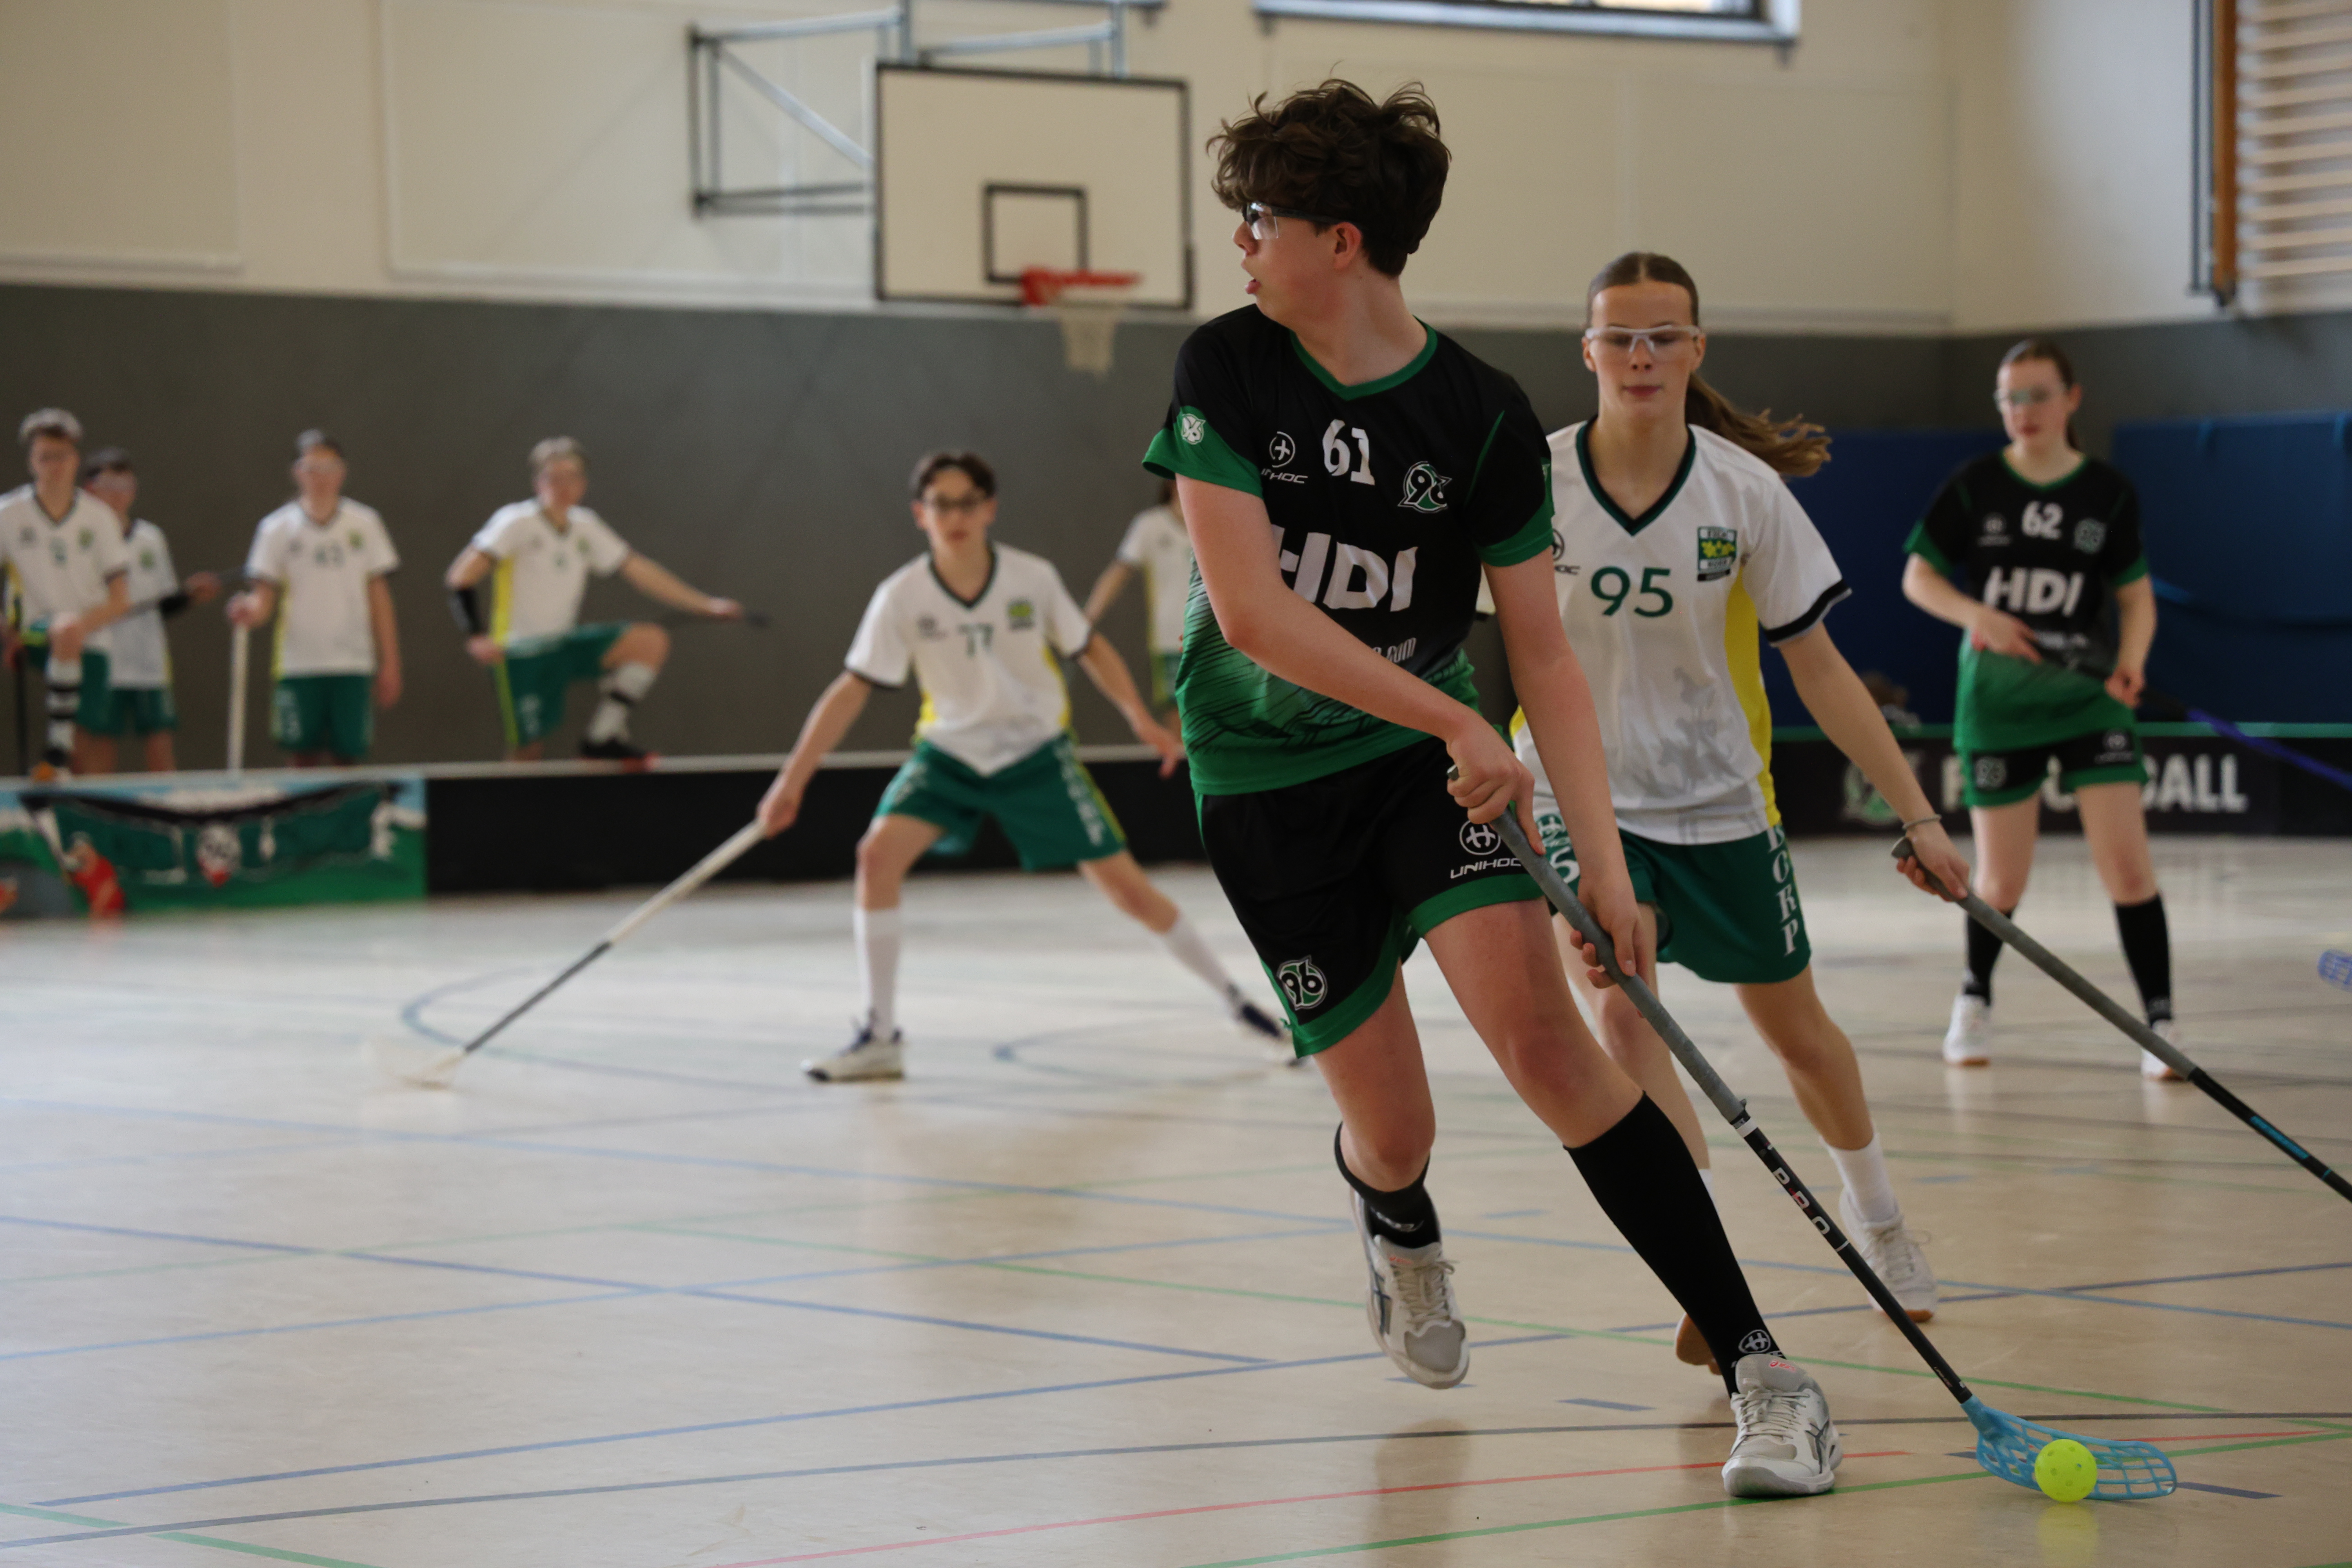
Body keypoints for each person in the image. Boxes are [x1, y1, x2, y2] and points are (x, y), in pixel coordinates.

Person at [1142, 81, 1854, 1499]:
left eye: (1258, 219)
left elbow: (1544, 656)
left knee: (1549, 1047)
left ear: (1341, 240)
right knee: (1392, 1126)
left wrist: (1601, 861)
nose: (1238, 242)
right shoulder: (1225, 367)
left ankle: (1764, 1365)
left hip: (1425, 776)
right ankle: (1396, 1219)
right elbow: (1254, 609)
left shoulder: (1475, 416)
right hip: (1266, 784)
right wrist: (1456, 718)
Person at [1518, 252, 1972, 1373]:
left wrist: (1916, 814)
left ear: (1696, 350)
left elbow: (1820, 671)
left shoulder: (1743, 493)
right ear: (1586, 350)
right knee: (1625, 1005)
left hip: (1722, 799)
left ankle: (1879, 1220)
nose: (1639, 356)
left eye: (1662, 336)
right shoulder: (1531, 485)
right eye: (1619, 336)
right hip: (1582, 798)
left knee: (1797, 1035)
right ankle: (1703, 1261)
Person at [759, 451, 1285, 1082]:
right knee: (877, 856)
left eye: (965, 502)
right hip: (950, 754)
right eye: (940, 504)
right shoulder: (901, 596)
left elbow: (1089, 650)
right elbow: (851, 690)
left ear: (989, 509)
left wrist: (1138, 719)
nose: (953, 516)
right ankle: (879, 1034)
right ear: (920, 514)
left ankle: (1238, 1002)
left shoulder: (1031, 580)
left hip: (1036, 755)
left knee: (1127, 891)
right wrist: (792, 782)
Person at [1902, 339, 2178, 1078]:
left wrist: (2132, 664)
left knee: (2127, 868)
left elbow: (2136, 599)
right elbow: (1919, 578)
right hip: (1997, 707)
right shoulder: (1975, 486)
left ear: (2071, 399)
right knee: (2002, 881)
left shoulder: (2109, 493)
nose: (2022, 411)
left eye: (2036, 395)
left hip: (2091, 705)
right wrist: (1976, 616)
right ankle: (1973, 999)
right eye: (2010, 398)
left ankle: (2161, 1022)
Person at [445, 437, 741, 764]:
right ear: (538, 483)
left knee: (649, 641)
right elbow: (461, 576)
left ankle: (602, 738)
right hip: (520, 653)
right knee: (527, 754)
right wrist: (475, 635)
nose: (563, 487)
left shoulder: (585, 526)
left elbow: (639, 570)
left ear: (583, 483)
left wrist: (705, 605)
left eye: (572, 478)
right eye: (554, 478)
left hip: (563, 645)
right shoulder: (517, 522)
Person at [228, 432, 402, 767]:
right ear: (298, 472)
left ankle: (345, 820)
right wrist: (248, 611)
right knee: (301, 755)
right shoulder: (276, 529)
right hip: (298, 663)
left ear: (342, 472)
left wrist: (390, 662)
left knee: (348, 756)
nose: (320, 476)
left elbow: (380, 598)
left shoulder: (364, 524)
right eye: (312, 468)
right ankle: (301, 819)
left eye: (329, 467)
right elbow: (264, 598)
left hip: (352, 662)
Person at [0, 409, 130, 780]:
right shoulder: (9, 515)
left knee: (85, 749)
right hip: (35, 632)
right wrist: (7, 634)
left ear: (75, 461)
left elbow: (121, 599)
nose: (54, 467)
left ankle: (76, 820)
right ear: (31, 463)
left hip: (89, 638)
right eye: (45, 458)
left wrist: (79, 628)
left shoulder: (98, 518)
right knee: (62, 631)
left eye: (62, 457)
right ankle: (55, 747)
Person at [76, 448, 223, 774]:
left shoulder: (150, 539)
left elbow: (162, 603)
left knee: (159, 745)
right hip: (103, 663)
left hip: (148, 666)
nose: (118, 494)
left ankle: (167, 820)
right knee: (99, 749)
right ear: (90, 489)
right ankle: (99, 821)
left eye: (126, 485)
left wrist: (191, 595)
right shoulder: (82, 540)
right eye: (109, 485)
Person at [1082, 478, 1192, 723]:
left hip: (1222, 639)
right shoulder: (1150, 525)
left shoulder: (1220, 521)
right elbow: (1119, 572)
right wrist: (1087, 617)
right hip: (1171, 640)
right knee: (1180, 718)